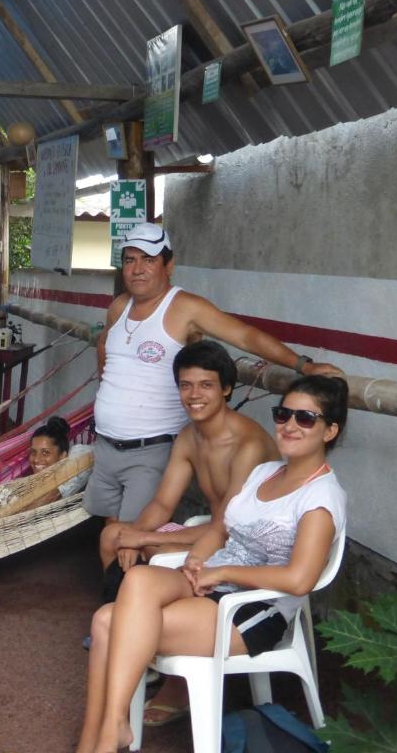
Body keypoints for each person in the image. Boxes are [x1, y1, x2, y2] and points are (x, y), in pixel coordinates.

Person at [76, 375, 349, 753]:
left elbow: (300, 579)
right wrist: (198, 561)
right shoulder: (264, 473)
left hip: (252, 609)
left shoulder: (320, 498)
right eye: (283, 413)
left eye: (306, 418)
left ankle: (103, 737)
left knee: (107, 622)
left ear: (329, 430)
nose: (289, 425)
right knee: (137, 578)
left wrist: (222, 572)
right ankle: (106, 729)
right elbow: (221, 528)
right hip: (213, 582)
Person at [88, 222, 341, 526]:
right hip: (106, 444)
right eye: (130, 260)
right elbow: (104, 348)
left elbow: (244, 336)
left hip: (151, 446)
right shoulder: (119, 307)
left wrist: (302, 366)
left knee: (131, 534)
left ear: (169, 265)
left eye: (148, 259)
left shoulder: (186, 307)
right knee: (108, 527)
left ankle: (139, 574)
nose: (137, 269)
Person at [97, 340, 279, 726]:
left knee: (141, 549)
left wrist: (144, 539)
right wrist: (133, 534)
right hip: (208, 535)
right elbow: (163, 505)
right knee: (111, 537)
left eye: (206, 385)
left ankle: (174, 683)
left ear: (226, 388)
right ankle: (146, 656)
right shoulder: (189, 436)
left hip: (235, 546)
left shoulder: (246, 443)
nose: (194, 395)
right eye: (186, 385)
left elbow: (226, 527)